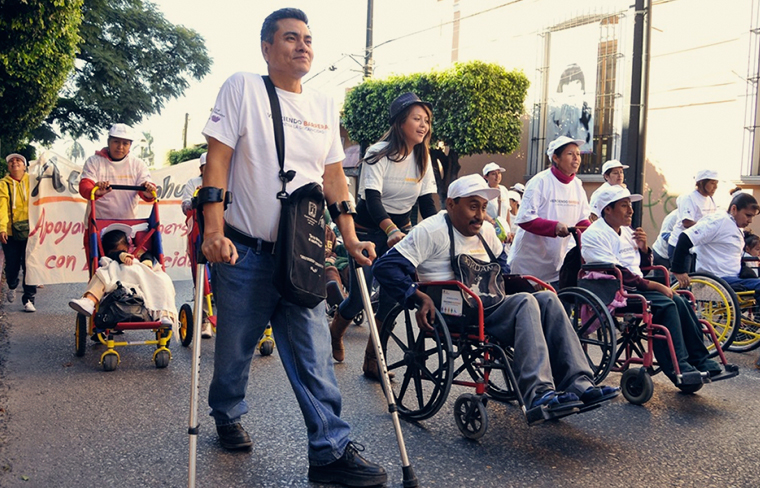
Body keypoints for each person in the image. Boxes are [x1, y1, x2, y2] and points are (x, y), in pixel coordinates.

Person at [199, 9, 386, 487]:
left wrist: (348, 237)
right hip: (243, 253)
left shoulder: (324, 105)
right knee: (235, 352)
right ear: (266, 47)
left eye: (307, 38)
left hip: (301, 255)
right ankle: (226, 412)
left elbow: (333, 177)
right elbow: (216, 163)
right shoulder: (241, 87)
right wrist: (213, 231)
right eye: (290, 38)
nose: (302, 46)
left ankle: (329, 452)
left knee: (315, 353)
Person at [373, 174, 618, 415]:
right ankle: (538, 393)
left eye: (482, 207)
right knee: (524, 302)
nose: (479, 215)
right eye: (472, 207)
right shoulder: (430, 230)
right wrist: (417, 296)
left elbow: (502, 264)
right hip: (452, 307)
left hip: (487, 303)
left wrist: (509, 283)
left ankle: (579, 383)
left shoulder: (487, 231)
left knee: (548, 298)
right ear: (451, 204)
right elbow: (386, 267)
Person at [329, 91, 437, 380]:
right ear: (400, 122)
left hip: (399, 233)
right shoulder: (378, 153)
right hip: (368, 231)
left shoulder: (424, 159)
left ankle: (372, 360)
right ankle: (336, 330)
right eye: (417, 118)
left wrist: (440, 229)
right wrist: (389, 230)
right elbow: (373, 200)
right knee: (360, 298)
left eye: (426, 119)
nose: (423, 124)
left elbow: (428, 204)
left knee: (391, 299)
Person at [582, 185, 723, 383]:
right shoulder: (593, 235)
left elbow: (640, 267)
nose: (631, 210)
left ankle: (700, 359)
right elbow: (616, 271)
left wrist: (643, 249)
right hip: (613, 292)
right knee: (667, 304)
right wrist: (654, 286)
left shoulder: (626, 232)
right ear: (607, 209)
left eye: (630, 205)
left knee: (681, 301)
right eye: (624, 206)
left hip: (633, 288)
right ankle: (679, 365)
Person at [508, 135, 592, 286]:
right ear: (556, 158)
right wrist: (555, 227)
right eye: (570, 154)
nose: (576, 158)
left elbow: (582, 220)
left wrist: (596, 233)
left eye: (578, 154)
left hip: (556, 267)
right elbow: (525, 219)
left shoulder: (577, 185)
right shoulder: (539, 182)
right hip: (528, 266)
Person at [67, 226, 176, 326]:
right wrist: (120, 255)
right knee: (102, 274)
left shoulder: (135, 250)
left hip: (140, 280)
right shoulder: (111, 257)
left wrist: (147, 261)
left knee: (162, 279)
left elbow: (147, 255)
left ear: (128, 246)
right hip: (118, 280)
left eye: (123, 250)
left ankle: (164, 314)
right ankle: (89, 301)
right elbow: (109, 257)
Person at [671, 192, 760, 296]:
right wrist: (679, 270)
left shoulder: (734, 226)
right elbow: (685, 237)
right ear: (734, 209)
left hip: (732, 278)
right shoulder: (718, 221)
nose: (750, 221)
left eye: (752, 217)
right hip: (719, 280)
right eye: (748, 215)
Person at [79, 124, 157, 219]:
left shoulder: (138, 164)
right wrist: (94, 191)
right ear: (108, 142)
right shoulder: (94, 161)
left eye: (125, 143)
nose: (120, 147)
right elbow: (84, 186)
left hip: (128, 226)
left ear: (130, 145)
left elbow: (148, 192)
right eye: (116, 142)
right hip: (97, 225)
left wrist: (148, 191)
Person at [181, 152, 213, 339]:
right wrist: (194, 202)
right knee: (200, 275)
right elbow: (185, 206)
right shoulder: (193, 183)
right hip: (198, 233)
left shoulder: (225, 179)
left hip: (221, 232)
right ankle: (204, 319)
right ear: (200, 168)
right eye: (205, 167)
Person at [0, 153, 36, 312]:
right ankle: (12, 285)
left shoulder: (34, 181)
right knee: (12, 265)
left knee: (31, 265)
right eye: (11, 161)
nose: (15, 162)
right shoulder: (3, 184)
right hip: (10, 232)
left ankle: (29, 299)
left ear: (25, 165)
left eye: (19, 160)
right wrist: (2, 227)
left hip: (32, 230)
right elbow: (1, 207)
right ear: (8, 167)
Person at [667, 169, 719, 261]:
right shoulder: (688, 198)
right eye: (712, 183)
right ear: (702, 183)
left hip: (698, 246)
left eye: (716, 183)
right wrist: (709, 228)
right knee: (683, 275)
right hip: (681, 245)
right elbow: (687, 222)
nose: (715, 187)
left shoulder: (710, 199)